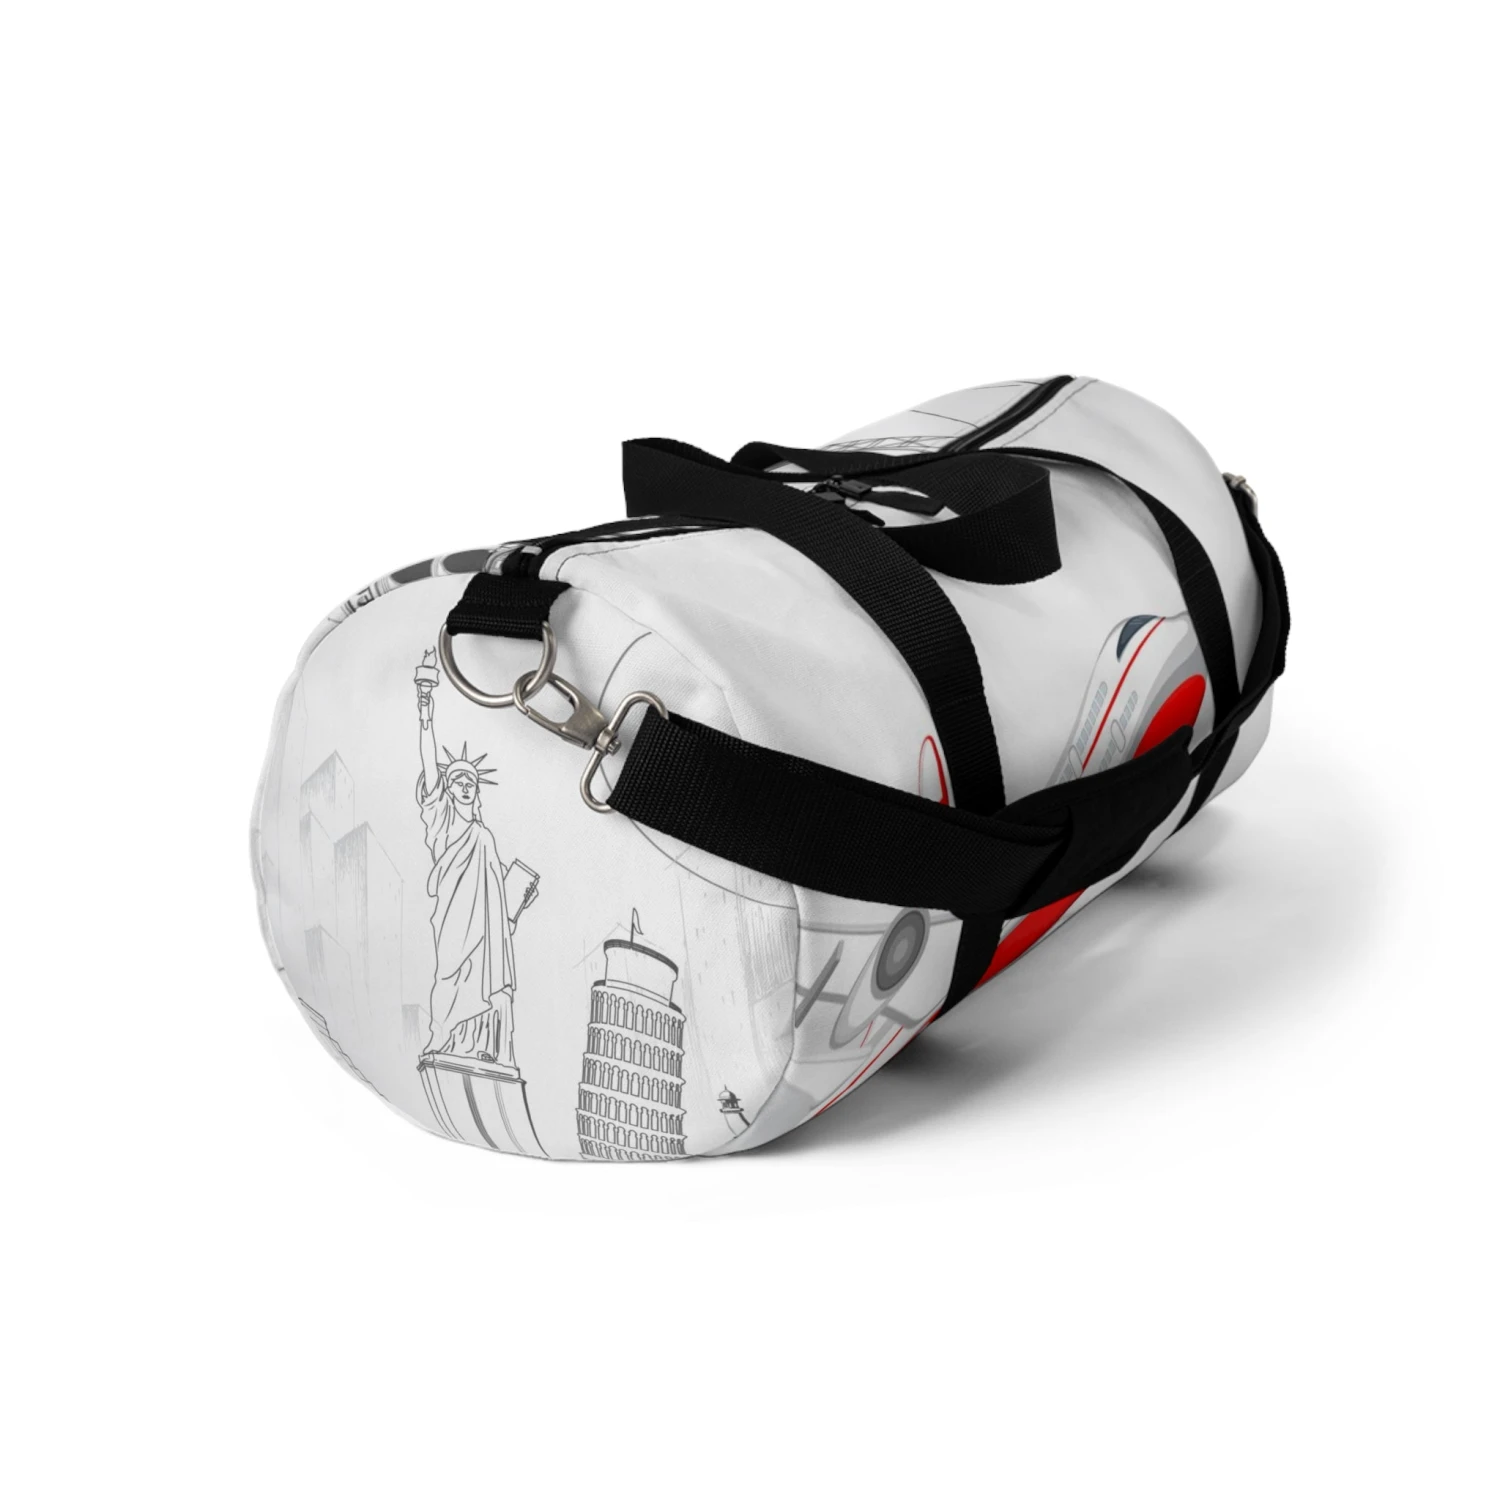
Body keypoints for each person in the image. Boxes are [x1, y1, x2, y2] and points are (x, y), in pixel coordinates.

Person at [414, 652, 517, 1064]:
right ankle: (439, 1033)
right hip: (452, 916)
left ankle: (480, 1044)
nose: (465, 784)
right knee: (448, 972)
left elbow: (495, 893)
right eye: (457, 780)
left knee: (482, 976)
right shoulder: (439, 822)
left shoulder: (484, 836)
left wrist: (516, 898)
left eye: (470, 780)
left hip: (485, 926)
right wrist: (425, 707)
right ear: (446, 788)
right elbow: (428, 759)